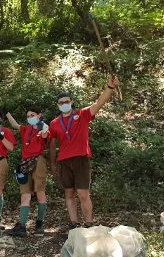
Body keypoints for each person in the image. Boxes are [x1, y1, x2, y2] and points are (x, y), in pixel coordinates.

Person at [49, 76, 120, 230]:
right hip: (64, 161)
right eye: (61, 103)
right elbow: (52, 144)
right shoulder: (54, 123)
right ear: (57, 105)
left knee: (82, 193)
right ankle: (74, 223)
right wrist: (53, 165)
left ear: (72, 102)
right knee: (68, 193)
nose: (64, 105)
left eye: (66, 102)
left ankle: (89, 224)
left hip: (81, 159)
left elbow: (99, 103)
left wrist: (110, 88)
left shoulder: (82, 114)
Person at [5, 108, 49, 237]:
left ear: (39, 115)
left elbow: (46, 136)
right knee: (25, 193)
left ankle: (39, 225)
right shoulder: (26, 129)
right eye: (28, 116)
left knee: (40, 191)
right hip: (25, 163)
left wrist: (44, 128)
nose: (30, 117)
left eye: (33, 115)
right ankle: (22, 226)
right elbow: (14, 125)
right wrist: (7, 112)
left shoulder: (42, 128)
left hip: (38, 161)